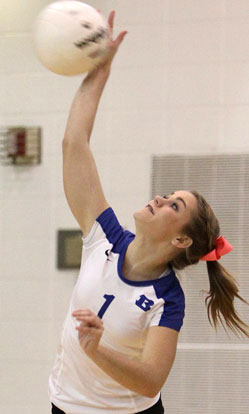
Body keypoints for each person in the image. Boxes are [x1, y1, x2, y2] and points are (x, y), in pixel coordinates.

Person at [49, 11, 249, 414]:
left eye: (174, 205)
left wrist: (96, 348)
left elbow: (151, 377)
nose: (160, 199)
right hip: (63, 406)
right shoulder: (104, 236)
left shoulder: (165, 299)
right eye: (167, 194)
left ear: (181, 240)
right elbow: (74, 143)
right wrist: (99, 72)